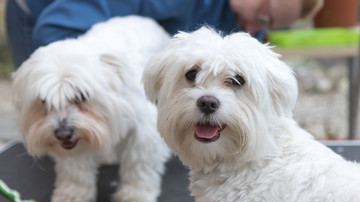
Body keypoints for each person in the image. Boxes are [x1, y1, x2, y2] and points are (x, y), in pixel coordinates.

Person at [6, 0, 323, 69]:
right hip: (44, 14)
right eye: (263, 15)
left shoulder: (245, 20)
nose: (255, 30)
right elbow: (55, 31)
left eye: (269, 26)